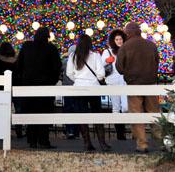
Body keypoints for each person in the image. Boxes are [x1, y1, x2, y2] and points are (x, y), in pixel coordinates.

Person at [116, 22, 160, 154]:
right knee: (154, 114)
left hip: (134, 85)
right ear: (139, 31)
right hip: (150, 84)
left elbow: (119, 68)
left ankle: (142, 144)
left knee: (136, 115)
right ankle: (161, 141)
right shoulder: (151, 45)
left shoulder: (125, 47)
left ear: (128, 32)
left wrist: (128, 73)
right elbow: (157, 62)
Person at [15, 26, 61, 149]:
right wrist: (53, 81)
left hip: (28, 86)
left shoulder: (26, 46)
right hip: (45, 86)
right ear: (47, 36)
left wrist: (22, 79)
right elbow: (57, 67)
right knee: (44, 114)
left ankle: (32, 140)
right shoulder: (51, 48)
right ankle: (43, 140)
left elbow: (19, 64)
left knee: (31, 113)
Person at [66, 33, 110, 152]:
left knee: (82, 116)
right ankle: (102, 143)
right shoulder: (95, 55)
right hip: (94, 88)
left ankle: (87, 143)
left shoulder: (73, 56)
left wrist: (79, 80)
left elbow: (69, 73)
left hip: (79, 89)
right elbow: (101, 73)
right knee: (97, 116)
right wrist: (94, 80)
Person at [102, 29, 128, 141]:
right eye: (116, 39)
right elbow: (101, 65)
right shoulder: (107, 52)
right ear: (113, 40)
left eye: (120, 39)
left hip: (125, 82)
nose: (119, 41)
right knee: (116, 108)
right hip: (113, 82)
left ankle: (125, 129)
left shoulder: (127, 50)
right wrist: (107, 61)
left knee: (126, 107)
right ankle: (120, 134)